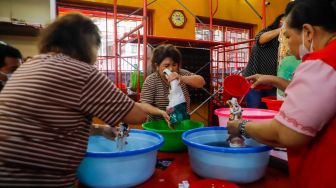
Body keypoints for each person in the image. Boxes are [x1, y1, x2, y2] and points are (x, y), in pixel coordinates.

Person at [0, 13, 149, 187]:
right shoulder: (81, 72)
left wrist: (100, 130)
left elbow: (50, 123)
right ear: (89, 45)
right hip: (37, 179)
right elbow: (138, 117)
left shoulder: (28, 66)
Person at [228, 0, 336, 187]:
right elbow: (317, 96)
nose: (288, 48)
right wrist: (271, 79)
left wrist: (241, 126)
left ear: (308, 32)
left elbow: (285, 133)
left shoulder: (321, 62)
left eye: (287, 36)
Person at [140, 44, 205, 122]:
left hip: (181, 122)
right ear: (157, 65)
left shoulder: (181, 73)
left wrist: (182, 78)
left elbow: (201, 82)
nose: (171, 69)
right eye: (166, 65)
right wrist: (161, 113)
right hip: (158, 125)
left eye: (174, 65)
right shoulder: (151, 80)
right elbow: (144, 105)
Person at [243, 14, 285, 108]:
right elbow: (260, 39)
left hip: (272, 82)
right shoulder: (268, 32)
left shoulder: (286, 39)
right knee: (255, 108)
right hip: (255, 79)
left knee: (272, 109)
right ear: (279, 22)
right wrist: (282, 29)